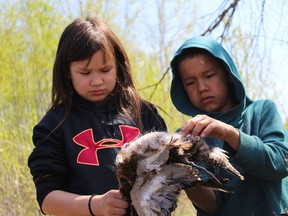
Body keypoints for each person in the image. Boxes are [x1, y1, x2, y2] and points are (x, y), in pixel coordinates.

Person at [28, 15, 167, 216]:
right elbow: (47, 199)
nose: (96, 81)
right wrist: (95, 205)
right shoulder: (54, 125)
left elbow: (169, 174)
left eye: (105, 70)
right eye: (85, 73)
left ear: (118, 66)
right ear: (67, 72)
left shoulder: (144, 113)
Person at [170, 36, 288, 216]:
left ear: (228, 75)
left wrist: (229, 134)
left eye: (209, 76)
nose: (202, 87)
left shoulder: (262, 111)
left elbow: (280, 165)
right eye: (190, 82)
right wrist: (186, 177)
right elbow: (213, 206)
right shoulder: (187, 137)